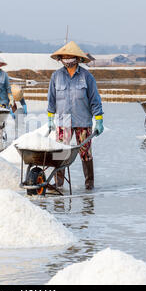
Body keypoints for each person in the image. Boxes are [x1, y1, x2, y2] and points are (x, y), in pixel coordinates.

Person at [47, 41, 104, 190]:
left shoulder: (86, 77)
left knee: (85, 152)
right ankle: (59, 183)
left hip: (83, 120)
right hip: (63, 121)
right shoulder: (56, 76)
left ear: (77, 58)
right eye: (64, 57)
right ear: (61, 59)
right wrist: (49, 118)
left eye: (70, 56)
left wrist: (99, 120)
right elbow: (51, 99)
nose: (67, 59)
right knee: (60, 152)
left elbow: (95, 100)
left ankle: (89, 183)